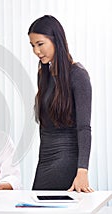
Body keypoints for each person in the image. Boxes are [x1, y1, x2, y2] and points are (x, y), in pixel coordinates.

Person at [28, 15, 93, 192]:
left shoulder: (77, 75)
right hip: (45, 159)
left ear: (57, 40)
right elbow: (44, 127)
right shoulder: (43, 75)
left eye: (40, 44)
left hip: (66, 158)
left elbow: (84, 128)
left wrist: (82, 171)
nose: (36, 51)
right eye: (32, 45)